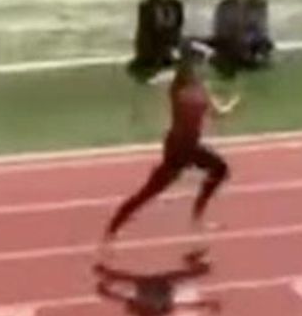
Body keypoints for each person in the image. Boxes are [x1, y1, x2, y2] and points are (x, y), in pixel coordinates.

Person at [101, 41, 239, 254]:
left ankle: (197, 216)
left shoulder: (199, 85)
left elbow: (216, 113)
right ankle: (112, 229)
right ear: (190, 63)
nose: (205, 65)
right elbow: (191, 104)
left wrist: (232, 104)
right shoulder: (181, 85)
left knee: (219, 170)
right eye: (200, 61)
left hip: (191, 145)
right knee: (150, 191)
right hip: (178, 146)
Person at [129, 0, 185, 81]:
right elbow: (144, 27)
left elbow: (178, 24)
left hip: (167, 42)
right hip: (152, 43)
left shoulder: (176, 3)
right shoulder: (147, 3)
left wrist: (175, 42)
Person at [210, 0, 274, 75]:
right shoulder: (225, 5)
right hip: (230, 39)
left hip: (251, 39)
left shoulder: (258, 4)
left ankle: (251, 61)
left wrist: (246, 38)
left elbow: (260, 27)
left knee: (264, 44)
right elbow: (220, 28)